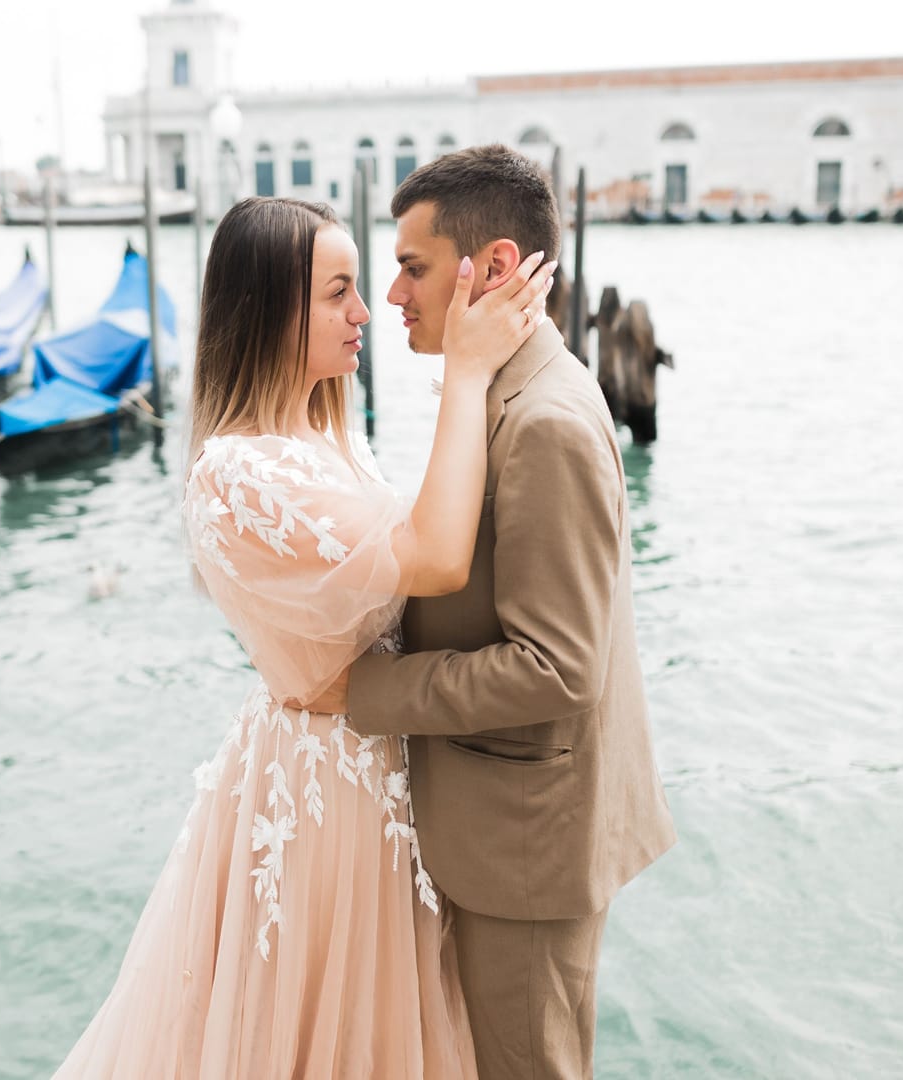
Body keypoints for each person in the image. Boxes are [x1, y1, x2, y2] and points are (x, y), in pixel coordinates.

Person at [52, 193, 555, 1078]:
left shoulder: (321, 438)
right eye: (338, 293)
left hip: (370, 767)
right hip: (328, 786)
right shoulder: (241, 471)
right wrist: (468, 374)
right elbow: (434, 557)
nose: (366, 311)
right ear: (269, 309)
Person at [344, 144, 679, 1080]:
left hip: (526, 849)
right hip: (502, 829)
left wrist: (376, 691)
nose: (394, 295)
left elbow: (560, 669)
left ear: (490, 268)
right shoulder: (504, 392)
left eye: (412, 267)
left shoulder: (546, 424)